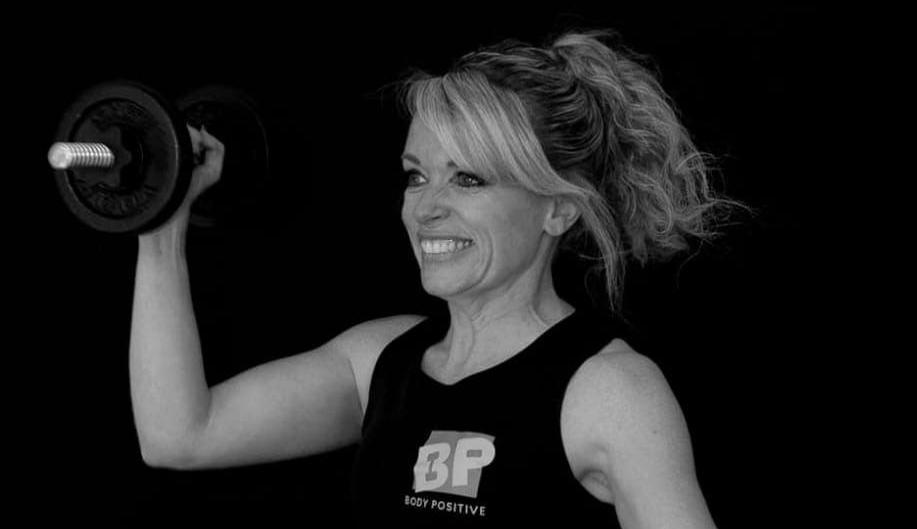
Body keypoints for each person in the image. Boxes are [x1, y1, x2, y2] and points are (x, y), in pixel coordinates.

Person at [131, 29, 740, 528]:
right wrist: (161, 221)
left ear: (559, 208)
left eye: (469, 179)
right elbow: (179, 435)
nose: (426, 209)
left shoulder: (609, 392)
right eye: (417, 175)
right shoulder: (378, 362)